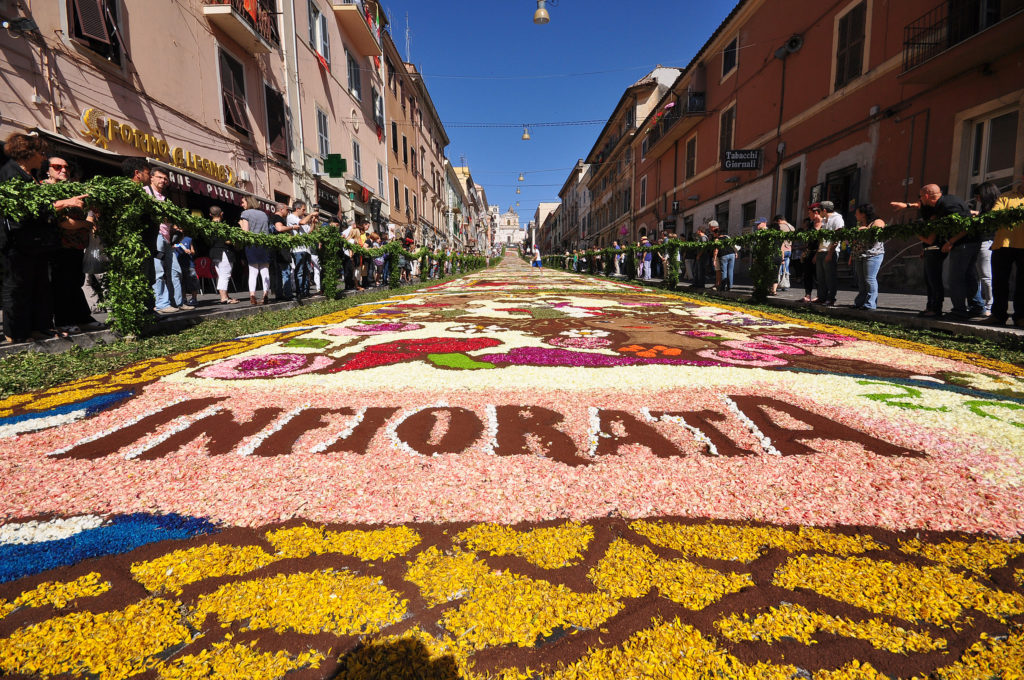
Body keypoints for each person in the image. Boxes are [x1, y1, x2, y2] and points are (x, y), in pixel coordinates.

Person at [1, 133, 87, 343]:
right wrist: (64, 203)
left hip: (36, 243)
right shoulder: (9, 172)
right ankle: (17, 333)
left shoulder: (28, 175)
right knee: (18, 287)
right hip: (18, 242)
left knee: (38, 286)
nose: (43, 158)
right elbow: (23, 207)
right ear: (29, 152)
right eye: (41, 153)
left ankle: (39, 328)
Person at [892, 184, 971, 317]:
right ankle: (932, 307)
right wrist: (907, 206)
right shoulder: (938, 208)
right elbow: (918, 206)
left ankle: (938, 308)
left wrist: (916, 233)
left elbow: (931, 239)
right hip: (930, 249)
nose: (920, 200)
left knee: (936, 281)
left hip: (937, 248)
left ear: (927, 196)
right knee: (930, 280)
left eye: (921, 197)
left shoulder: (941, 212)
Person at [43, 156, 100, 333]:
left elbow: (89, 212)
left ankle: (82, 318)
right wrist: (85, 224)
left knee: (75, 282)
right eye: (57, 167)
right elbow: (63, 222)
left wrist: (89, 219)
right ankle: (63, 321)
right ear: (48, 170)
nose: (63, 170)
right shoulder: (44, 188)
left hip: (76, 246)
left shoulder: (71, 188)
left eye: (66, 167)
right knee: (61, 284)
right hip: (57, 245)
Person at [144, 167, 189, 314]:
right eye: (160, 177)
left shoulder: (165, 198)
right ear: (151, 177)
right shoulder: (145, 192)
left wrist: (175, 227)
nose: (163, 181)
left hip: (166, 238)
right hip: (155, 237)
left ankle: (177, 302)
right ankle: (162, 304)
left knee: (175, 271)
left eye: (165, 179)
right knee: (159, 271)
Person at [985, 176, 1024, 327]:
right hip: (1004, 243)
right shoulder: (1006, 196)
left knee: (1023, 283)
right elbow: (995, 215)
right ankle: (998, 314)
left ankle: (1021, 316)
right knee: (999, 281)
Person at [850, 203, 885, 310]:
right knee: (861, 280)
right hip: (859, 255)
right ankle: (860, 302)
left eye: (857, 213)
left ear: (863, 214)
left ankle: (870, 304)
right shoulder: (859, 224)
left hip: (873, 255)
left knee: (870, 279)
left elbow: (876, 235)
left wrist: (865, 230)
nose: (855, 215)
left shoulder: (877, 222)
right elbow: (855, 241)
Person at [973, 181, 1000, 317]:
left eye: (977, 195)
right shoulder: (985, 207)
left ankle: (989, 305)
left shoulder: (996, 206)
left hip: (987, 242)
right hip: (982, 242)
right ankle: (980, 304)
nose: (976, 198)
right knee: (980, 275)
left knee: (985, 276)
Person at [239, 195, 272, 305]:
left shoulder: (245, 214)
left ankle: (252, 296)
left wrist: (240, 225)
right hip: (264, 244)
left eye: (243, 202)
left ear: (248, 202)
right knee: (264, 270)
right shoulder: (264, 214)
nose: (242, 204)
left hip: (252, 244)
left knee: (253, 272)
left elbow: (245, 232)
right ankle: (265, 294)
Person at [813, 200, 843, 306]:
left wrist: (830, 253)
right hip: (821, 251)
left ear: (824, 210)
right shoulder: (824, 220)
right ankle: (821, 297)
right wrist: (817, 253)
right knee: (820, 277)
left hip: (830, 251)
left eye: (819, 210)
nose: (818, 213)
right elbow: (820, 238)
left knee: (830, 277)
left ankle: (831, 298)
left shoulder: (837, 218)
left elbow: (837, 236)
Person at [286, 200, 316, 300]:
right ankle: (299, 292)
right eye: (303, 210)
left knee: (307, 271)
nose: (304, 212)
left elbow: (309, 232)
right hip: (297, 249)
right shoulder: (291, 217)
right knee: (299, 271)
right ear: (297, 209)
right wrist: (311, 214)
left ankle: (306, 291)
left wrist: (312, 222)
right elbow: (302, 222)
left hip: (306, 249)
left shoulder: (302, 218)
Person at [207, 206, 237, 304]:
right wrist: (234, 241)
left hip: (214, 252)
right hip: (223, 252)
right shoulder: (222, 226)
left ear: (210, 215)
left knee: (221, 275)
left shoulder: (208, 226)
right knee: (225, 275)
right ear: (222, 213)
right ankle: (223, 298)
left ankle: (225, 296)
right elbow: (226, 241)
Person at [174, 227, 199, 307]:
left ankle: (194, 298)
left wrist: (190, 251)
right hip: (178, 264)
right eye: (176, 229)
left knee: (193, 281)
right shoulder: (173, 240)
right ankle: (183, 298)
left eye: (180, 228)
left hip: (189, 264)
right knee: (181, 283)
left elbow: (193, 251)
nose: (178, 230)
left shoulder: (188, 239)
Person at [801, 213, 822, 302]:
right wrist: (804, 253)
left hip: (817, 252)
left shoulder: (822, 226)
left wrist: (816, 255)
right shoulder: (810, 228)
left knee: (817, 276)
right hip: (809, 253)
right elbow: (807, 242)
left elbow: (820, 243)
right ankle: (808, 294)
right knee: (807, 275)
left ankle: (819, 295)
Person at [773, 215, 795, 293]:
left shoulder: (781, 227)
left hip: (782, 249)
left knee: (780, 267)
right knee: (786, 267)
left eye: (776, 222)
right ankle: (785, 285)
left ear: (779, 220)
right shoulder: (791, 227)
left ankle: (779, 284)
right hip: (789, 249)